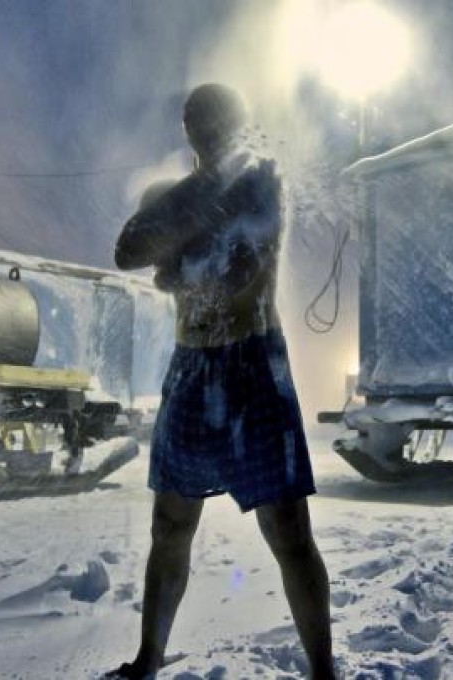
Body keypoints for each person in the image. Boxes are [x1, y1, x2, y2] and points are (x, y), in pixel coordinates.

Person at [107, 84, 335, 680]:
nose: (209, 127)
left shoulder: (262, 182)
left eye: (220, 117)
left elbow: (236, 272)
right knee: (170, 525)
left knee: (288, 531)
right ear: (186, 129)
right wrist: (191, 220)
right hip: (193, 367)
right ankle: (148, 661)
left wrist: (179, 253)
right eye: (197, 118)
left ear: (241, 122)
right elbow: (128, 251)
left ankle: (324, 671)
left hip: (254, 365)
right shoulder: (177, 194)